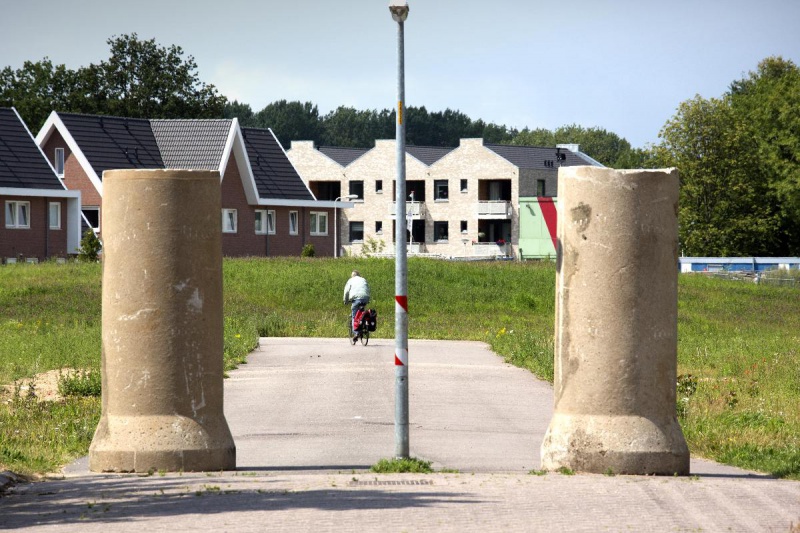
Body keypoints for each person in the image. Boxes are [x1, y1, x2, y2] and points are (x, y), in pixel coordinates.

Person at [343, 270, 370, 340]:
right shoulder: (363, 279)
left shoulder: (351, 280)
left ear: (352, 276)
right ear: (359, 275)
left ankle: (356, 333)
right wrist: (367, 299)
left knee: (354, 316)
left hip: (356, 299)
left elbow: (346, 292)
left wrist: (345, 301)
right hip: (365, 298)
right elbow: (367, 288)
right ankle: (363, 325)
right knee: (362, 313)